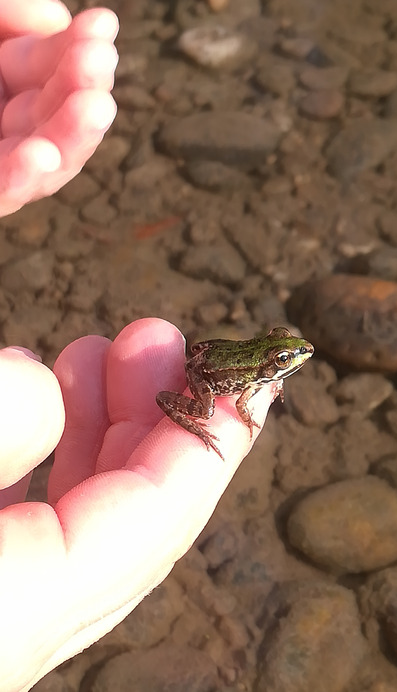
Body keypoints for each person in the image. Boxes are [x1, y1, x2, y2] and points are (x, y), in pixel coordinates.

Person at [0, 3, 274, 690]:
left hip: (210, 357)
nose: (288, 362)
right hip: (207, 374)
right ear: (272, 362)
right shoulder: (245, 384)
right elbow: (233, 396)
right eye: (281, 359)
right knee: (191, 403)